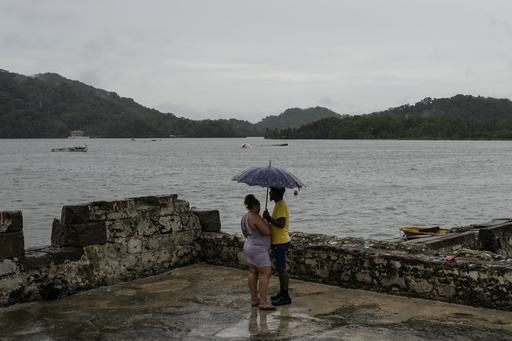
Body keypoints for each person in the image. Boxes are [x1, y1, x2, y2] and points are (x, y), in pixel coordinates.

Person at [241, 194, 276, 310]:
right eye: (259, 207)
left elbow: (245, 234)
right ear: (255, 206)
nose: (259, 209)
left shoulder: (245, 217)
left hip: (249, 246)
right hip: (258, 249)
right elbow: (267, 231)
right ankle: (263, 302)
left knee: (253, 272)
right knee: (266, 273)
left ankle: (254, 299)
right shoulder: (255, 217)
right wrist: (266, 221)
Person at [263, 187, 292, 306]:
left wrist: (268, 218)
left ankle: (285, 296)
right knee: (280, 269)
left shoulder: (280, 205)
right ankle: (282, 293)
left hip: (280, 241)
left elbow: (281, 224)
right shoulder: (279, 204)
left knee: (282, 270)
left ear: (277, 193)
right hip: (279, 241)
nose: (270, 193)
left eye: (271, 191)